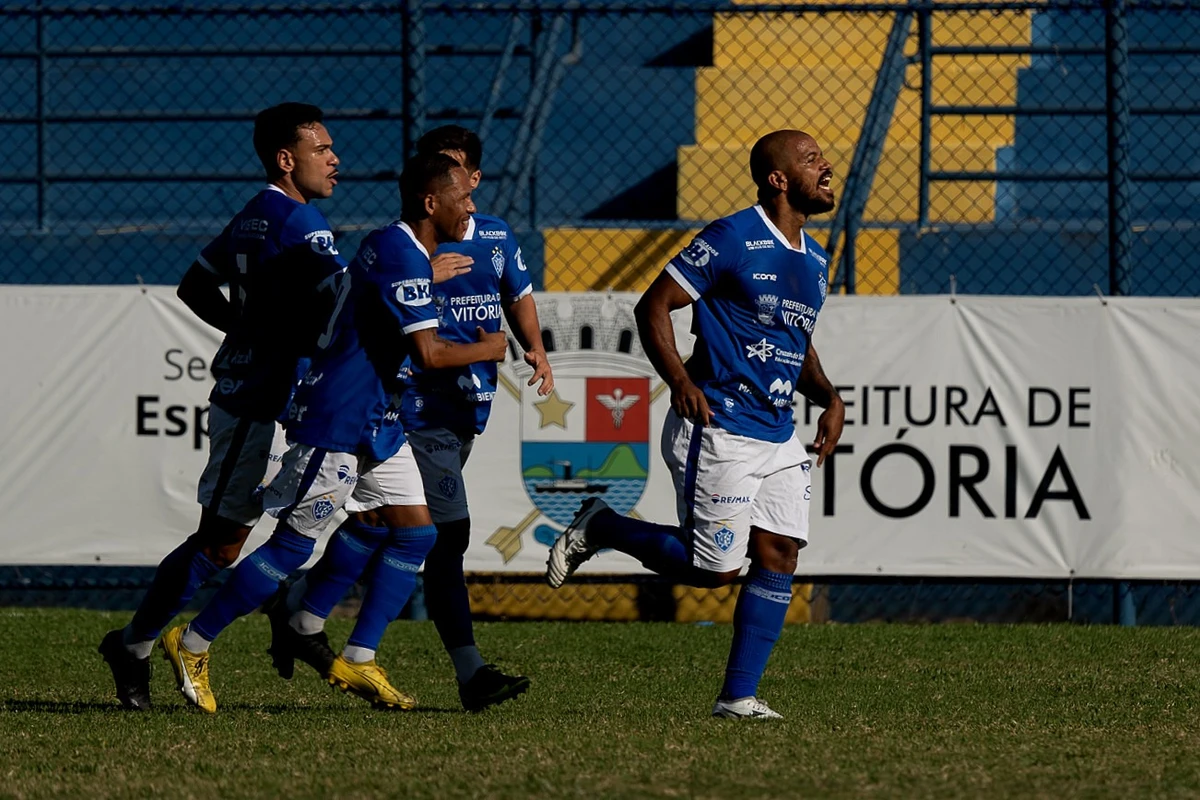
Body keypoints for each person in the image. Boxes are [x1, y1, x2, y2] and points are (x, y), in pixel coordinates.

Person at [158, 152, 508, 713]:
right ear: (429, 202)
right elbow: (430, 352)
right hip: (340, 419)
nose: (471, 207)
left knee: (415, 533)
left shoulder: (400, 248)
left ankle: (351, 651)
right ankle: (193, 641)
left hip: (379, 418)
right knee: (293, 545)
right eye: (462, 198)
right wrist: (493, 346)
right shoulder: (398, 252)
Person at [547, 130, 846, 720]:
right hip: (719, 423)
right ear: (778, 179)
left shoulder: (814, 258)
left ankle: (738, 698)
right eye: (811, 160)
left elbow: (796, 344)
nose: (826, 166)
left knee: (780, 552)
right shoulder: (733, 235)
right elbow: (653, 304)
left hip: (777, 429)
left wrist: (830, 396)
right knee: (716, 571)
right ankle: (605, 525)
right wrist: (680, 383)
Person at [268, 125, 553, 712]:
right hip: (416, 407)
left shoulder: (494, 237)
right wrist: (485, 348)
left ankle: (301, 606)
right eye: (436, 174)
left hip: (465, 406)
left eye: (456, 173)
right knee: (444, 535)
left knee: (381, 525)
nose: (451, 189)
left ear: (471, 178)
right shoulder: (408, 247)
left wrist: (533, 346)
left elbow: (519, 292)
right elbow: (390, 325)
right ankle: (463, 670)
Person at [98, 103, 346, 711]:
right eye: (322, 150)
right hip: (262, 398)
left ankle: (293, 617)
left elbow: (193, 284)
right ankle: (133, 645)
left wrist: (249, 328)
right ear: (287, 160)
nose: (335, 159)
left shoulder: (255, 213)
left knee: (366, 514)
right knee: (221, 541)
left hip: (280, 395)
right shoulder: (301, 223)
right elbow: (341, 306)